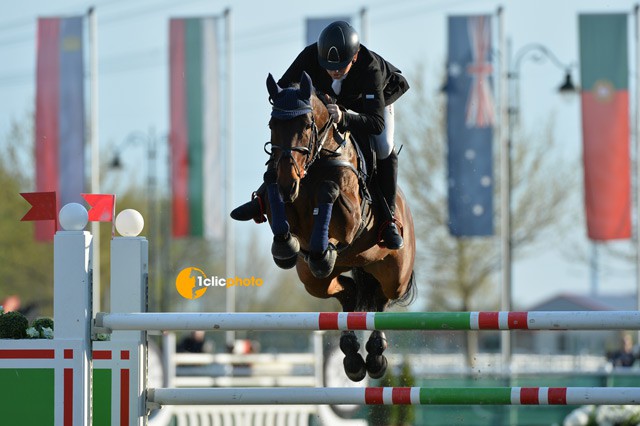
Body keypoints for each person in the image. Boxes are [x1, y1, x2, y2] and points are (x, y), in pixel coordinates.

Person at [231, 20, 409, 250]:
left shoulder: (370, 69)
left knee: (384, 145)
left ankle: (388, 219)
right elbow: (284, 92)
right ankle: (263, 197)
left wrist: (345, 118)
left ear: (354, 58)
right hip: (330, 106)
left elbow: (375, 123)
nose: (334, 71)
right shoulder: (310, 56)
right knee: (290, 130)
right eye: (328, 66)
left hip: (370, 105)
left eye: (341, 66)